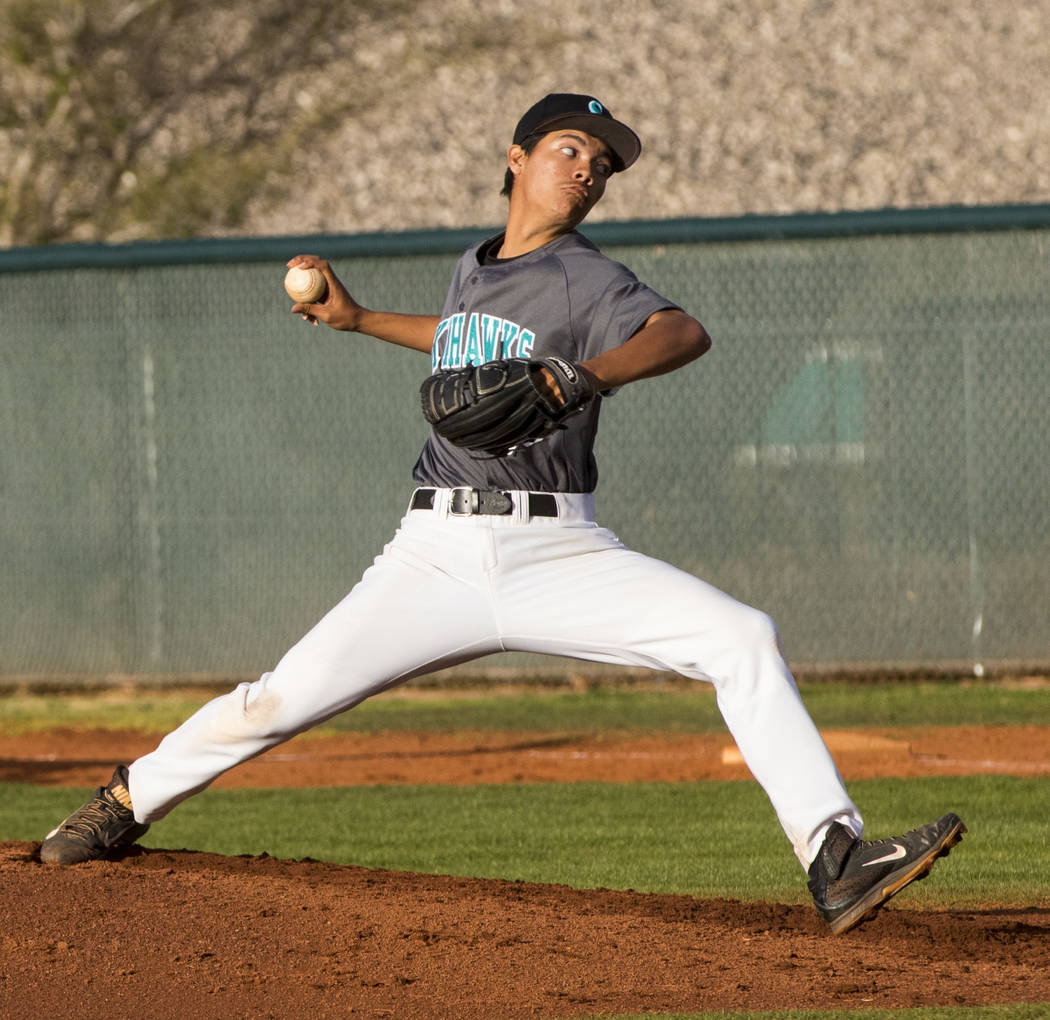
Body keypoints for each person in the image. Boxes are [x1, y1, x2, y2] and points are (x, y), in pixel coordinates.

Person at [40, 93, 965, 934]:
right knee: (279, 698)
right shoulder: (473, 269)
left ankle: (835, 859)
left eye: (601, 165)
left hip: (559, 548)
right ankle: (123, 804)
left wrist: (589, 372)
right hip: (433, 552)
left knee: (742, 636)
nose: (587, 171)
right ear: (516, 158)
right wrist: (361, 321)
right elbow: (465, 347)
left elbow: (682, 332)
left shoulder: (585, 278)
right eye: (571, 149)